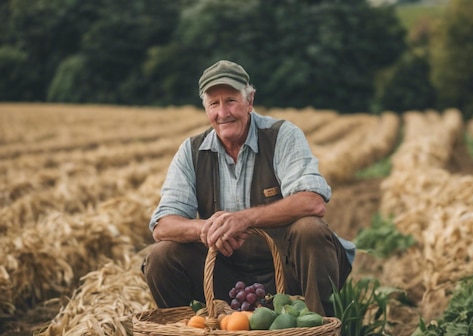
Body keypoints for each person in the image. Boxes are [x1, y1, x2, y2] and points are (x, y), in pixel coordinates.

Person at [142, 60, 355, 317]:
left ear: (250, 100)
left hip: (288, 270)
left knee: (310, 229)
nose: (223, 112)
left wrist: (242, 219)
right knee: (161, 256)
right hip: (226, 276)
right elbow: (163, 225)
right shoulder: (191, 151)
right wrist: (206, 228)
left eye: (231, 100)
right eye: (214, 103)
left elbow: (312, 202)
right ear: (206, 109)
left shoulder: (282, 136)